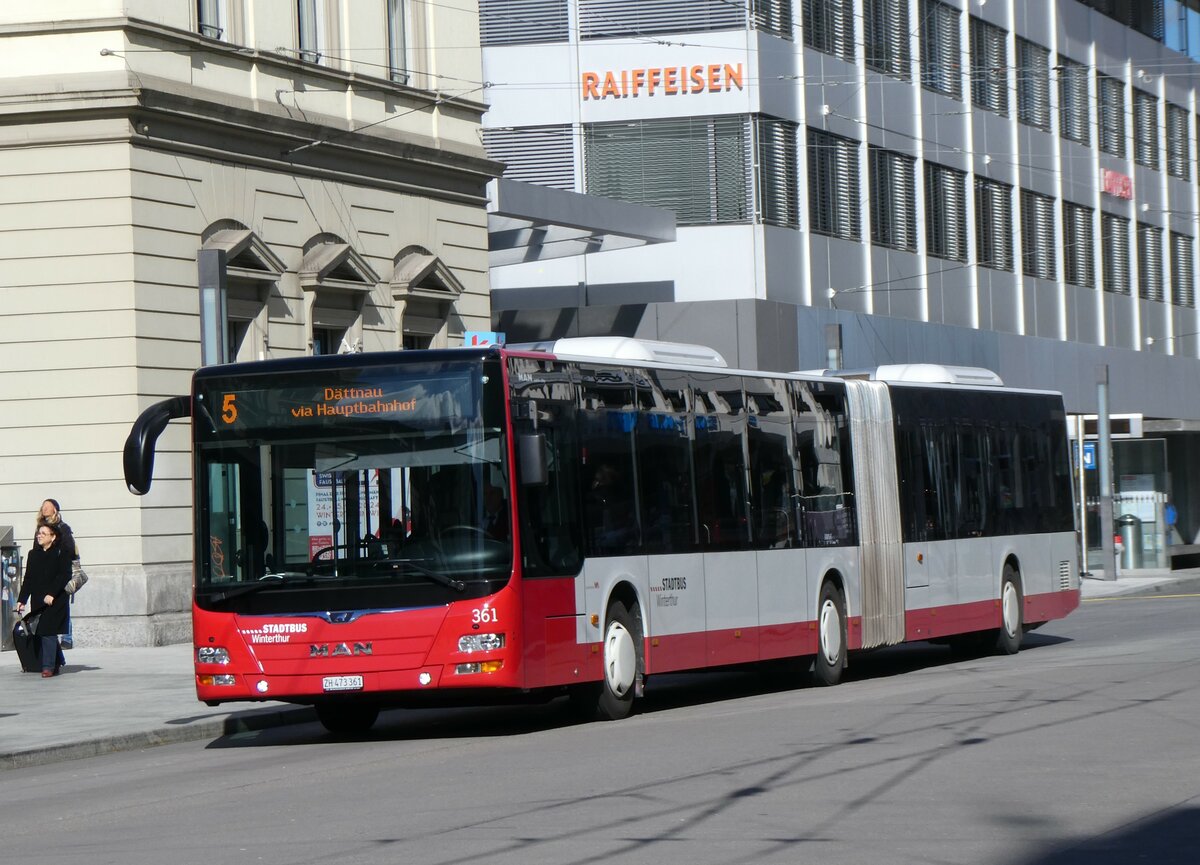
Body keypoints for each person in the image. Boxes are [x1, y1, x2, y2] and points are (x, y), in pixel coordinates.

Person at [15, 522, 72, 677]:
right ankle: (57, 661)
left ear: (53, 537)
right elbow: (29, 579)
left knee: (48, 630)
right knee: (42, 631)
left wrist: (52, 594)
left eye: (43, 533)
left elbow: (64, 575)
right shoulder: (33, 554)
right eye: (38, 533)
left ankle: (47, 667)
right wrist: (22, 600)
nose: (39, 536)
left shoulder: (62, 552)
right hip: (39, 599)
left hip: (56, 600)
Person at [37, 498, 77, 650]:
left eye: (48, 506)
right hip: (46, 571)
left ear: (55, 509)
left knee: (62, 602)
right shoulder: (40, 528)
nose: (44, 509)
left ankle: (67, 638)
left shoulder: (62, 528)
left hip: (60, 569)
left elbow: (70, 548)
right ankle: (49, 636)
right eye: (43, 507)